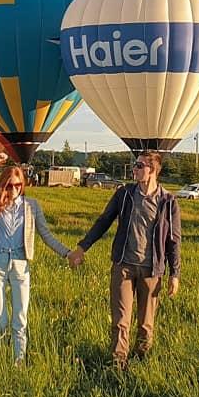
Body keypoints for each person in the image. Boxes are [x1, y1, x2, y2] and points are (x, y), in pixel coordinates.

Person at [67, 150, 181, 369]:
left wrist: (174, 274)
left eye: (139, 166)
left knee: (146, 324)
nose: (134, 169)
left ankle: (141, 360)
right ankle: (118, 363)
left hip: (151, 270)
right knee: (120, 321)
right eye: (134, 165)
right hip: (124, 266)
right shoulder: (125, 194)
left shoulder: (168, 201)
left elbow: (173, 240)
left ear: (153, 170)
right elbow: (104, 221)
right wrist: (82, 247)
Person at [0, 152, 71, 365]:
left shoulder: (31, 206)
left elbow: (46, 235)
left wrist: (68, 254)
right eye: (9, 185)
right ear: (2, 185)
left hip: (21, 266)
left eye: (17, 185)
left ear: (22, 186)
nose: (13, 189)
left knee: (20, 318)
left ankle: (18, 360)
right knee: (0, 319)